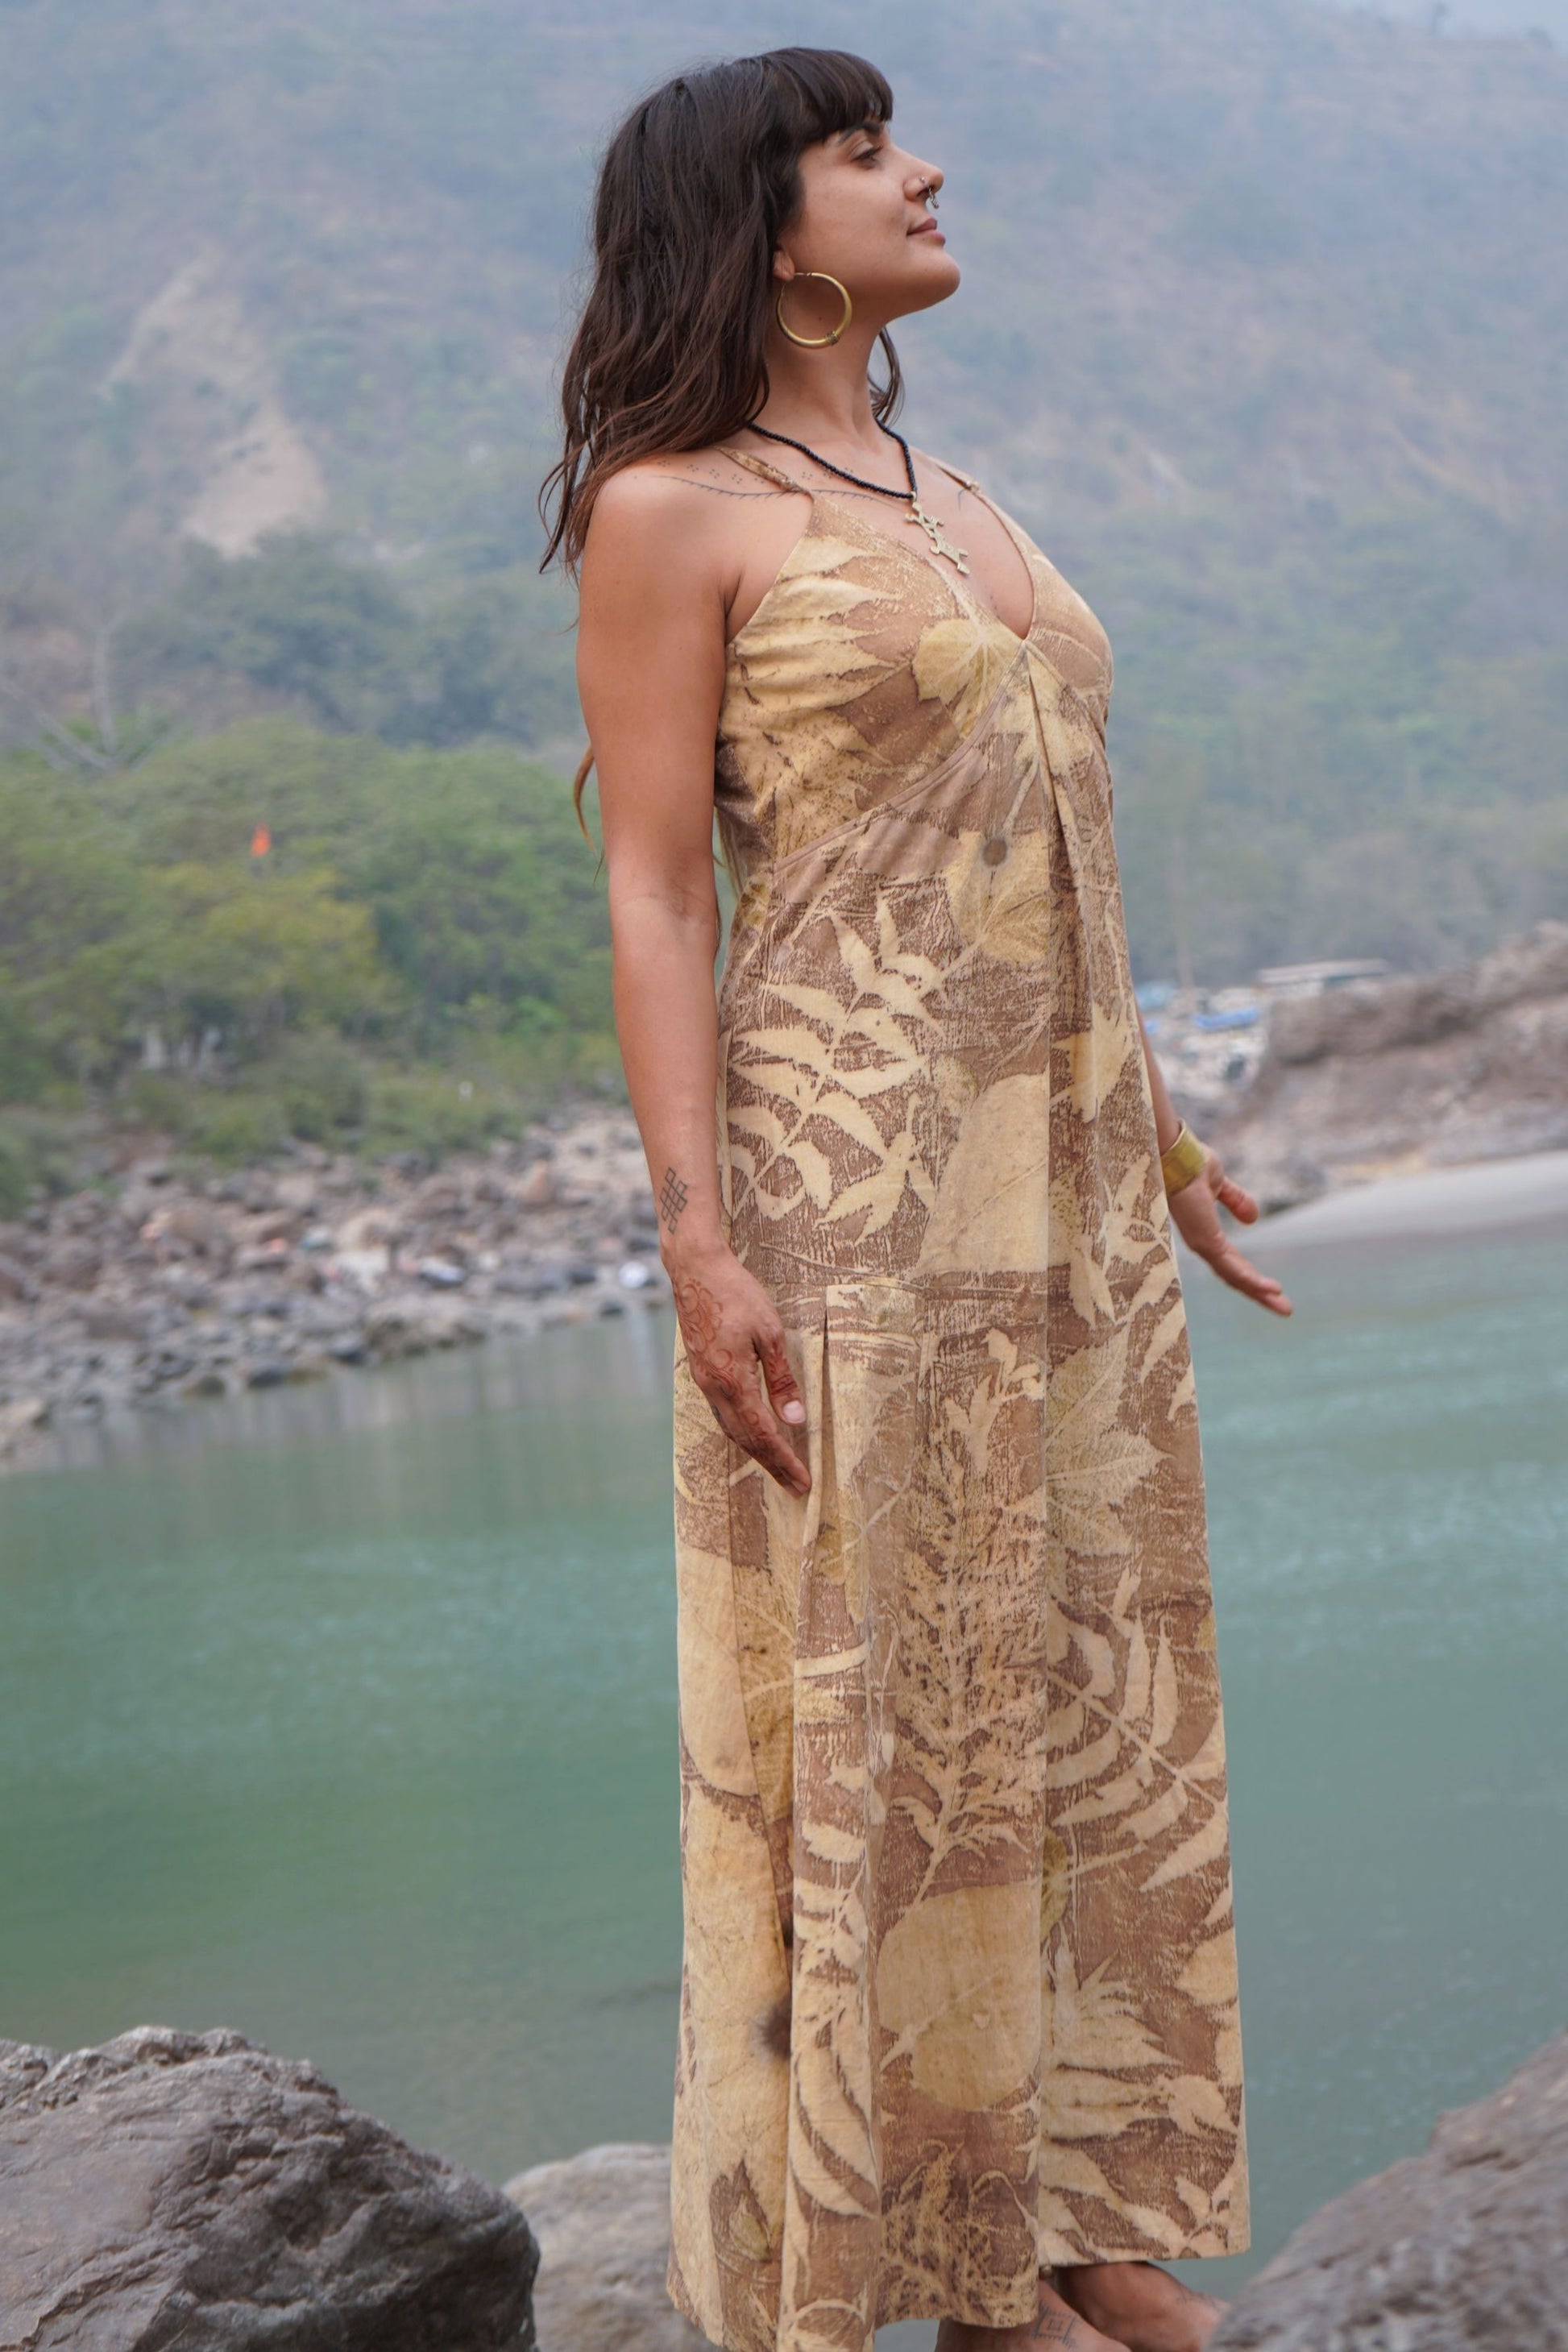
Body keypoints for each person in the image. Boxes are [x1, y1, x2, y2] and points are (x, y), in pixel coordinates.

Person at [542, 48, 1292, 2352]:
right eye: (864, 151)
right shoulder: (674, 509)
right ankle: (943, 2261)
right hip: (846, 1195)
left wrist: (1155, 1138)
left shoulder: (948, 483)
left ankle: (1066, 2212)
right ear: (763, 228)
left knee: (1065, 1682)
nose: (923, 168)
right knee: (895, 1707)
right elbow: (659, 892)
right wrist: (695, 1237)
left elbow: (1046, 842)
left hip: (1052, 1205)